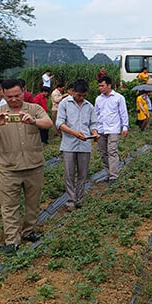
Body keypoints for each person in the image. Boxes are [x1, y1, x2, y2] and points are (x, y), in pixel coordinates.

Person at [0, 79, 54, 254]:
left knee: (33, 202)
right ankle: (12, 240)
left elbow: (48, 123)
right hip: (9, 168)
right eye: (9, 96)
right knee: (9, 205)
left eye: (17, 95)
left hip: (33, 165)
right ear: (3, 94)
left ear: (24, 91)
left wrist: (34, 121)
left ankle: (29, 231)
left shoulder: (34, 109)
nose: (13, 99)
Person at [56, 79, 98, 212]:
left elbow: (93, 124)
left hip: (85, 144)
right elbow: (59, 123)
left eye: (84, 95)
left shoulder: (89, 106)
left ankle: (79, 198)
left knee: (83, 173)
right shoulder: (64, 104)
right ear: (73, 91)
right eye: (79, 95)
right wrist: (74, 133)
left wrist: (94, 133)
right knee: (69, 174)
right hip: (69, 144)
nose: (81, 98)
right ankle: (70, 201)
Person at [95, 76, 129, 184]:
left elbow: (123, 113)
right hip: (101, 129)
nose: (100, 88)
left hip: (113, 128)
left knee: (112, 151)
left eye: (102, 86)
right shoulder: (98, 99)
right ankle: (108, 173)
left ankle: (114, 176)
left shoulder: (118, 98)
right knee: (103, 153)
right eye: (99, 86)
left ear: (109, 85)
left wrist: (125, 126)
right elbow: (96, 114)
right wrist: (94, 129)